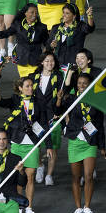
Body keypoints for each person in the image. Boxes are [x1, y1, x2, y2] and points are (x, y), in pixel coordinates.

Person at [0, 77, 52, 213]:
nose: (30, 88)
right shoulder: (15, 100)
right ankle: (19, 205)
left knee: (30, 175)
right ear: (20, 88)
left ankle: (29, 207)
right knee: (18, 177)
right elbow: (1, 102)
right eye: (27, 86)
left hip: (32, 144)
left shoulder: (39, 102)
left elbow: (44, 124)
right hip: (17, 144)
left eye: (31, 86)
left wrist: (49, 146)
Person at [56, 73, 106, 213]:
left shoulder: (96, 102)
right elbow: (58, 112)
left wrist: (102, 147)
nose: (81, 85)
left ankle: (87, 207)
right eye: (79, 83)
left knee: (89, 175)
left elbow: (100, 125)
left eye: (85, 83)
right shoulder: (71, 99)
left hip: (90, 142)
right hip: (75, 141)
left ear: (90, 84)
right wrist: (59, 99)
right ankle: (78, 208)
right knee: (75, 177)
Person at [30, 52, 63, 185]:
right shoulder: (33, 77)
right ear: (42, 62)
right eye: (47, 61)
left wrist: (59, 111)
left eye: (52, 61)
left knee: (52, 147)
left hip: (52, 115)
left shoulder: (59, 77)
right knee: (37, 144)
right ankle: (39, 166)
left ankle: (49, 175)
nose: (50, 63)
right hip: (37, 116)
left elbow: (63, 96)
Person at [0, 4, 48, 78]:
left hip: (36, 62)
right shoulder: (17, 25)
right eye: (32, 12)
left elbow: (47, 44)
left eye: (36, 13)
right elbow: (1, 35)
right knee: (25, 85)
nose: (34, 14)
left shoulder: (42, 27)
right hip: (22, 61)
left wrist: (45, 55)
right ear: (25, 13)